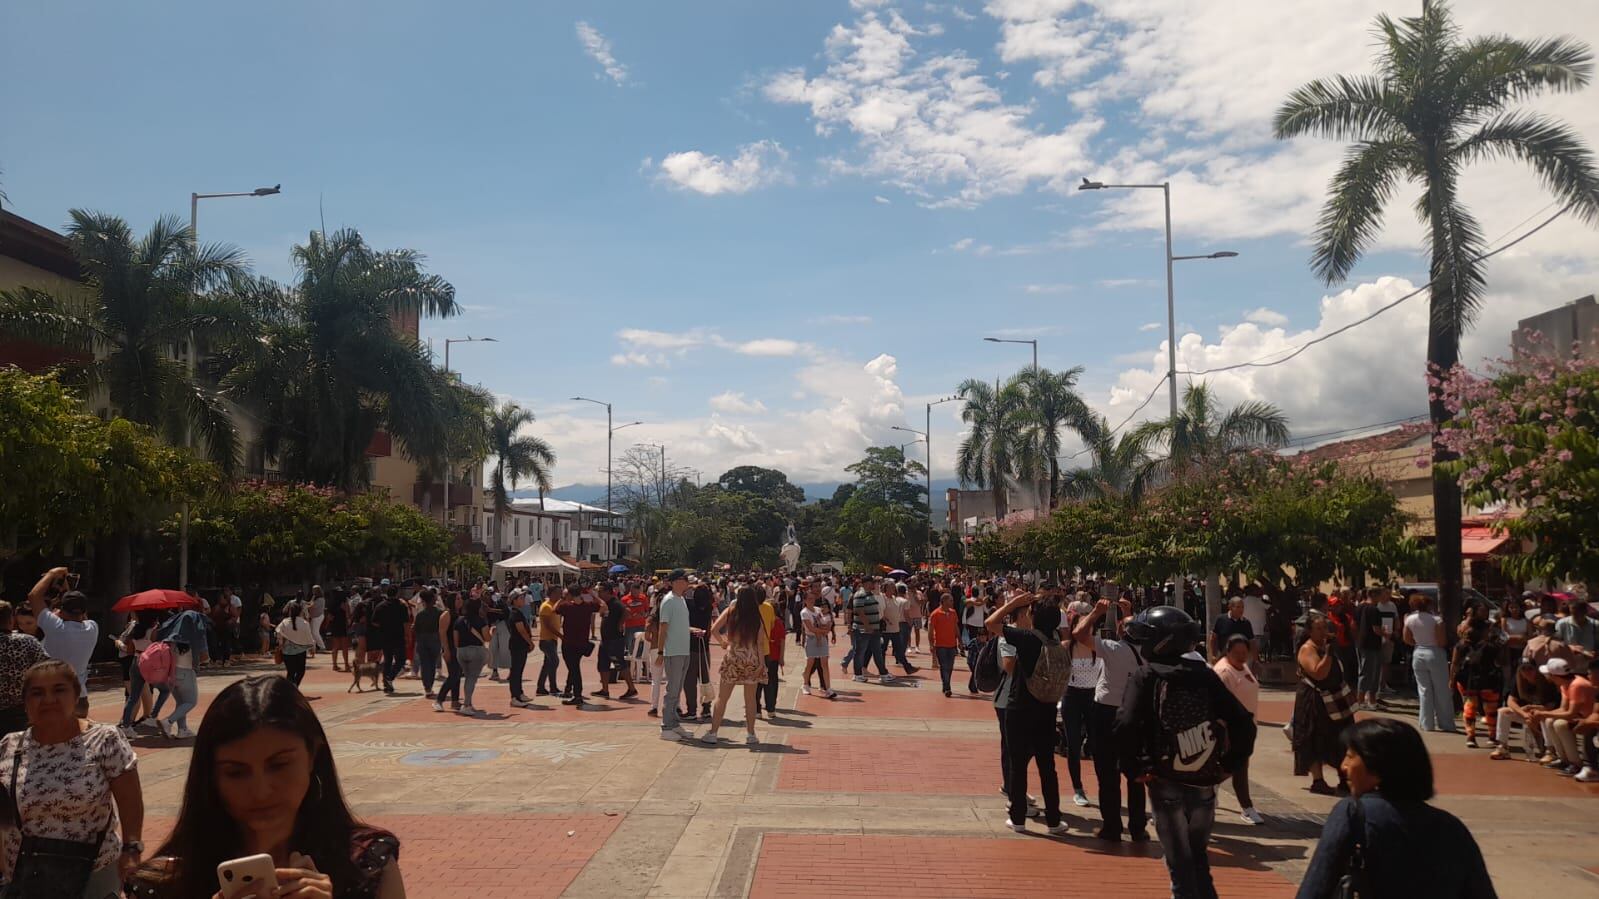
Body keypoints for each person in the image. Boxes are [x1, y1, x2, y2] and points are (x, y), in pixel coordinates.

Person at [127, 675, 404, 899]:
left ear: (312, 757)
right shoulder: (164, 884)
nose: (260, 791)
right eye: (236, 772)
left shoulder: (365, 865)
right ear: (211, 776)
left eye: (279, 765)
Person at [1116, 606, 1256, 899]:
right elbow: (1244, 722)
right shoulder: (1204, 675)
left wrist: (1133, 768)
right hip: (1204, 779)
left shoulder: (1146, 676)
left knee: (1180, 865)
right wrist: (1230, 764)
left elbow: (1125, 724)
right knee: (1198, 858)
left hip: (1164, 778)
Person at [1295, 718, 1496, 899]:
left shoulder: (1353, 813)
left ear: (1376, 764)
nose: (1343, 766)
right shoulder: (1452, 827)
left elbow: (1316, 886)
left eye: (1350, 756)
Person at [2, 660, 144, 899]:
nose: (48, 700)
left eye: (59, 690)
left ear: (76, 695)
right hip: (25, 876)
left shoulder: (104, 740)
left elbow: (130, 801)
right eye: (37, 693)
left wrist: (132, 849)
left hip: (92, 871)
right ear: (25, 702)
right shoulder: (10, 746)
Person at [985, 590, 1070, 836]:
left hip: (1019, 709)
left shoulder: (1026, 638)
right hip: (1046, 710)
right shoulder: (1056, 641)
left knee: (1018, 765)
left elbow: (991, 623)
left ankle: (1018, 818)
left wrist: (1012, 604)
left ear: (1033, 616)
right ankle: (1054, 820)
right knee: (1047, 767)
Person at [1073, 598, 1147, 841]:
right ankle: (1138, 828)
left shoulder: (1113, 649)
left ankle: (1112, 826)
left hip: (1106, 713)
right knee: (1135, 775)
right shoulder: (1148, 654)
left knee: (1107, 773)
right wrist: (1128, 614)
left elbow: (1079, 633)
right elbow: (1128, 631)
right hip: (1134, 714)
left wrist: (1096, 612)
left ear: (1122, 632)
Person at [701, 586, 774, 745]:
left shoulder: (731, 612)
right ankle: (751, 734)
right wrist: (762, 664)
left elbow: (714, 629)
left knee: (722, 698)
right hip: (751, 659)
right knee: (750, 700)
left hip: (733, 657)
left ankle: (713, 733)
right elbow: (760, 643)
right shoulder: (756, 616)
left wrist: (723, 643)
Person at [1293, 613, 1355, 795]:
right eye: (1318, 629)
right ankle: (1318, 781)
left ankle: (1344, 778)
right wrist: (1328, 653)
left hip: (1335, 700)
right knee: (1314, 738)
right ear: (1310, 631)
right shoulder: (1307, 649)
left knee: (1342, 737)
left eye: (1324, 628)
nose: (1323, 632)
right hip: (1314, 701)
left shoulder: (1327, 646)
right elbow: (1319, 673)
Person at [28, 567, 99, 717]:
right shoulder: (92, 627)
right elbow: (79, 614)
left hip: (53, 698)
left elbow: (34, 596)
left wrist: (52, 574)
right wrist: (67, 587)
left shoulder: (55, 627)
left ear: (61, 610)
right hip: (79, 696)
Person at [1213, 634, 1265, 825]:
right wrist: (1225, 732)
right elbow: (1219, 704)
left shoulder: (1243, 666)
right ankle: (1247, 808)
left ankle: (1209, 792)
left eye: (1244, 652)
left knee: (1234, 766)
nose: (1242, 656)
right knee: (1238, 767)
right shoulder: (1224, 672)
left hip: (1247, 727)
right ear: (1228, 652)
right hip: (1232, 728)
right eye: (1237, 653)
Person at [1061, 601, 1101, 808]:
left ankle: (1105, 786)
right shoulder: (1066, 647)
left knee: (1097, 743)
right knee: (1074, 744)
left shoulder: (1099, 647)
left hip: (1093, 698)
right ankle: (1078, 788)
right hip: (1072, 697)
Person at [1527, 657, 1594, 775]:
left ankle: (1575, 763)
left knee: (1560, 724)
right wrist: (1543, 713)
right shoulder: (1565, 684)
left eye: (1548, 674)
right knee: (1549, 721)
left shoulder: (1577, 685)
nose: (1546, 676)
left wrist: (1543, 714)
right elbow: (1563, 709)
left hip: (1589, 719)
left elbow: (1570, 713)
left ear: (1554, 676)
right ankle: (1564, 759)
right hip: (1580, 716)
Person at [153, 607, 210, 739]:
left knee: (181, 702)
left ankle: (182, 729)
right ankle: (168, 721)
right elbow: (204, 658)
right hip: (186, 672)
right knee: (191, 702)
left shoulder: (171, 638)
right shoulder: (193, 638)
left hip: (171, 673)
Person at [1403, 593, 1456, 733]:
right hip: (1434, 652)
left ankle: (1427, 723)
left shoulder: (1409, 619)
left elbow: (1406, 639)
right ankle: (1446, 723)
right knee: (1441, 689)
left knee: (1424, 690)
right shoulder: (1437, 620)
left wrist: (1418, 642)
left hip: (1418, 652)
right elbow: (1441, 641)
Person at [1490, 660, 1560, 761]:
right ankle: (1502, 747)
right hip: (1527, 714)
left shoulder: (1546, 682)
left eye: (1530, 668)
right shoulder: (1518, 681)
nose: (1527, 671)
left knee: (1544, 717)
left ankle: (1550, 751)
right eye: (1523, 669)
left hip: (1544, 713)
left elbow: (1551, 706)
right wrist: (1523, 713)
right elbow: (1510, 701)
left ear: (1536, 669)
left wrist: (1533, 709)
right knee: (1503, 712)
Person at [1451, 618, 1503, 749]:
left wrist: (1452, 679)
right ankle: (1492, 736)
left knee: (1469, 706)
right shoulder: (1491, 646)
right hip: (1489, 679)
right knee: (1491, 708)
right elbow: (1500, 662)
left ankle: (1470, 736)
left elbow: (1455, 664)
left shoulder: (1461, 645)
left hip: (1467, 679)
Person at [0, 602, 49, 737]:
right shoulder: (28, 642)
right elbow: (48, 669)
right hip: (21, 712)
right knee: (19, 746)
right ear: (11, 620)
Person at [657, 571, 694, 741]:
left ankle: (673, 723)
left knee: (677, 689)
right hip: (673, 651)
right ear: (673, 582)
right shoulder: (669, 601)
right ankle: (666, 726)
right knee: (672, 690)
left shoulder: (681, 600)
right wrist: (660, 651)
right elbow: (663, 627)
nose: (685, 582)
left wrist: (691, 630)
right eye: (682, 579)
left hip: (684, 650)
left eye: (685, 580)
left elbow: (678, 624)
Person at [557, 587, 600, 708]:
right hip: (582, 643)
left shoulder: (566, 606)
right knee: (574, 667)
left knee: (574, 669)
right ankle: (570, 690)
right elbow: (603, 606)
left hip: (569, 643)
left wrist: (563, 598)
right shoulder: (588, 606)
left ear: (570, 594)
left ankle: (577, 695)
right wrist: (593, 595)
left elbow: (554, 609)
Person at [594, 584, 636, 701]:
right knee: (603, 664)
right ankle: (605, 690)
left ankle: (631, 688)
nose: (599, 593)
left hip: (615, 640)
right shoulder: (605, 604)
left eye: (601, 591)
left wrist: (620, 624)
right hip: (605, 640)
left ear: (608, 592)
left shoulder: (615, 603)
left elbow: (627, 612)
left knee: (620, 664)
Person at [451, 597, 490, 716]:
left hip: (461, 652)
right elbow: (487, 638)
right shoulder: (481, 621)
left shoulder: (459, 621)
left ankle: (469, 702)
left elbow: (456, 641)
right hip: (476, 651)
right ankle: (466, 705)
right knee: (471, 678)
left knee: (468, 678)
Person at [799, 583, 837, 699]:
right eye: (809, 599)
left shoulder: (817, 610)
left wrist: (827, 629)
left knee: (824, 663)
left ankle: (828, 688)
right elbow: (810, 628)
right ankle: (805, 684)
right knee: (810, 663)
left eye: (813, 598)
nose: (811, 601)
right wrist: (823, 631)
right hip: (811, 639)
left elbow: (823, 622)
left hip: (822, 638)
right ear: (805, 600)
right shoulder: (804, 612)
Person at [685, 584, 716, 717]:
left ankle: (692, 710)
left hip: (691, 647)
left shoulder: (689, 605)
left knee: (690, 681)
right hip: (704, 647)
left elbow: (682, 594)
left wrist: (690, 586)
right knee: (705, 679)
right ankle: (706, 708)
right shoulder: (709, 607)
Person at [371, 589, 410, 694]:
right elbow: (406, 623)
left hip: (385, 637)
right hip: (398, 636)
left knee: (387, 660)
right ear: (397, 594)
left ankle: (386, 683)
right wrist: (408, 636)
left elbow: (374, 622)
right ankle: (390, 677)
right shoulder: (401, 606)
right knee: (401, 660)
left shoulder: (380, 606)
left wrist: (384, 625)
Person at [1354, 587, 1386, 711]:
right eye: (1380, 595)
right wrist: (1386, 634)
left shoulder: (1359, 607)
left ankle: (1371, 700)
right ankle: (1361, 700)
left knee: (1366, 671)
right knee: (1370, 673)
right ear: (1373, 595)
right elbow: (1376, 629)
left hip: (1361, 643)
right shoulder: (1374, 609)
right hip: (1371, 644)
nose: (1382, 597)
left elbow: (1354, 624)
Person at [275, 600, 318, 689]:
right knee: (300, 671)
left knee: (290, 672)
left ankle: (290, 689)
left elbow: (278, 633)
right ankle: (294, 687)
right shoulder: (304, 623)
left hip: (287, 651)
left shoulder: (284, 622)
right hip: (300, 651)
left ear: (289, 611)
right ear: (300, 611)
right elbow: (309, 637)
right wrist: (312, 648)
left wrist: (281, 643)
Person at [433, 593, 464, 713]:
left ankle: (455, 701)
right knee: (454, 675)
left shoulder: (459, 614)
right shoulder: (446, 614)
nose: (460, 601)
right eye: (457, 599)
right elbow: (442, 633)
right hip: (450, 647)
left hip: (459, 647)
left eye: (460, 598)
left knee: (457, 674)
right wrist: (446, 650)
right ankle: (439, 700)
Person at [411, 589, 444, 700]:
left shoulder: (420, 615)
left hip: (422, 640)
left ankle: (427, 688)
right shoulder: (439, 613)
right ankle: (430, 685)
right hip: (435, 639)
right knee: (432, 664)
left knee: (424, 664)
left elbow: (416, 629)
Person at [507, 591, 536, 708]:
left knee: (519, 671)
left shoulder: (518, 612)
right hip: (517, 646)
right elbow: (521, 630)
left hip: (520, 646)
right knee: (515, 672)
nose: (523, 599)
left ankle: (519, 693)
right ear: (514, 600)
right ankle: (514, 697)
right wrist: (530, 642)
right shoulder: (515, 614)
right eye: (520, 598)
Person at [928, 592, 960, 696]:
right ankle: (947, 687)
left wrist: (960, 641)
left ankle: (946, 683)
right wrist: (931, 644)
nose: (952, 602)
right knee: (944, 666)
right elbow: (930, 630)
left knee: (950, 667)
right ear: (944, 601)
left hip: (952, 644)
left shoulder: (953, 613)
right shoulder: (935, 614)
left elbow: (956, 627)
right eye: (950, 600)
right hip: (940, 645)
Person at [536, 586, 564, 697]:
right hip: (546, 639)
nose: (559, 595)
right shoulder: (546, 606)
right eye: (558, 593)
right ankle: (552, 687)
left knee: (547, 664)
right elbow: (548, 625)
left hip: (552, 639)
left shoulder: (555, 606)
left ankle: (541, 687)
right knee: (554, 662)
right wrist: (560, 636)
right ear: (551, 593)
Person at [761, 593, 786, 717]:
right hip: (774, 656)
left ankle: (761, 706)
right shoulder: (778, 622)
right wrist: (781, 657)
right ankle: (771, 706)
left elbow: (781, 641)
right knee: (772, 682)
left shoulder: (766, 621)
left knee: (762, 682)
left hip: (765, 654)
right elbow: (782, 641)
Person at [327, 588, 352, 672]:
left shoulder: (331, 603)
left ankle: (335, 665)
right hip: (342, 625)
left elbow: (329, 617)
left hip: (335, 626)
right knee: (344, 646)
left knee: (336, 646)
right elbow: (348, 615)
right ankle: (346, 665)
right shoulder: (344, 602)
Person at [308, 585, 328, 652]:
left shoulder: (321, 599)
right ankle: (313, 648)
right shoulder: (314, 597)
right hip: (314, 616)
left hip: (318, 616)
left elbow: (312, 606)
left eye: (314, 590)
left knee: (315, 632)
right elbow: (310, 604)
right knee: (312, 632)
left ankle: (322, 647)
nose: (313, 591)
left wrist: (307, 605)